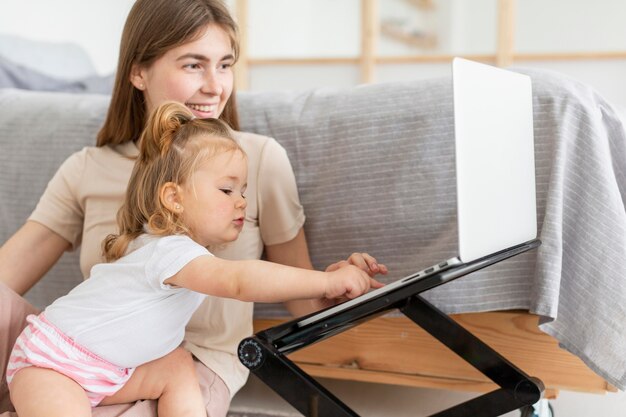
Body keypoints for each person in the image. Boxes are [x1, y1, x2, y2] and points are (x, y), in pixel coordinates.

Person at [0, 0, 387, 416]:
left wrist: (334, 286)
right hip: (76, 350)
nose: (215, 85)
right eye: (193, 65)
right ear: (138, 71)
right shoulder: (87, 168)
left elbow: (292, 301)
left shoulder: (257, 160)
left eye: (224, 65)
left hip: (185, 364)